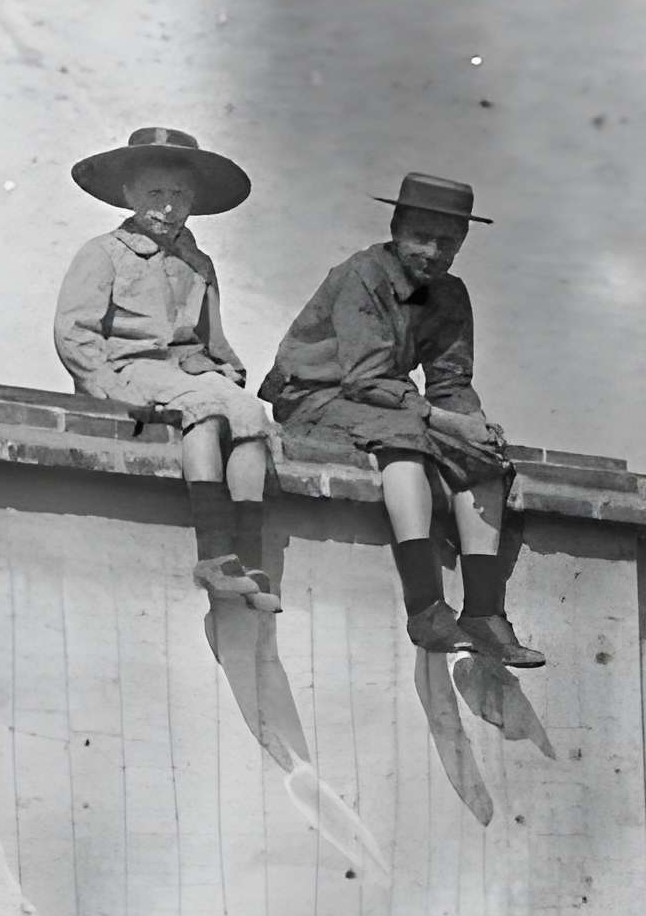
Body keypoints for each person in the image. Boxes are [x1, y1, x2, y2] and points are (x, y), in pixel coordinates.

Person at [260, 171, 544, 669]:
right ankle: (426, 607)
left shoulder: (449, 294)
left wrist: (472, 425)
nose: (433, 252)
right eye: (421, 237)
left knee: (485, 457)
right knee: (407, 441)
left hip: (385, 400)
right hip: (315, 396)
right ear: (396, 229)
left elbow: (451, 382)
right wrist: (447, 423)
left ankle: (483, 611)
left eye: (447, 243)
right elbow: (366, 379)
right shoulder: (362, 274)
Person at [52, 127, 283, 611]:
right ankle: (214, 554)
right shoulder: (104, 252)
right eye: (155, 193)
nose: (168, 207)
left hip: (187, 370)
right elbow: (75, 331)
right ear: (129, 194)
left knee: (249, 414)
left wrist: (227, 376)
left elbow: (214, 340)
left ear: (193, 200)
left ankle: (249, 558)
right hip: (133, 366)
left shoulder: (198, 264)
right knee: (204, 410)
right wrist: (107, 386)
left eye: (179, 195)